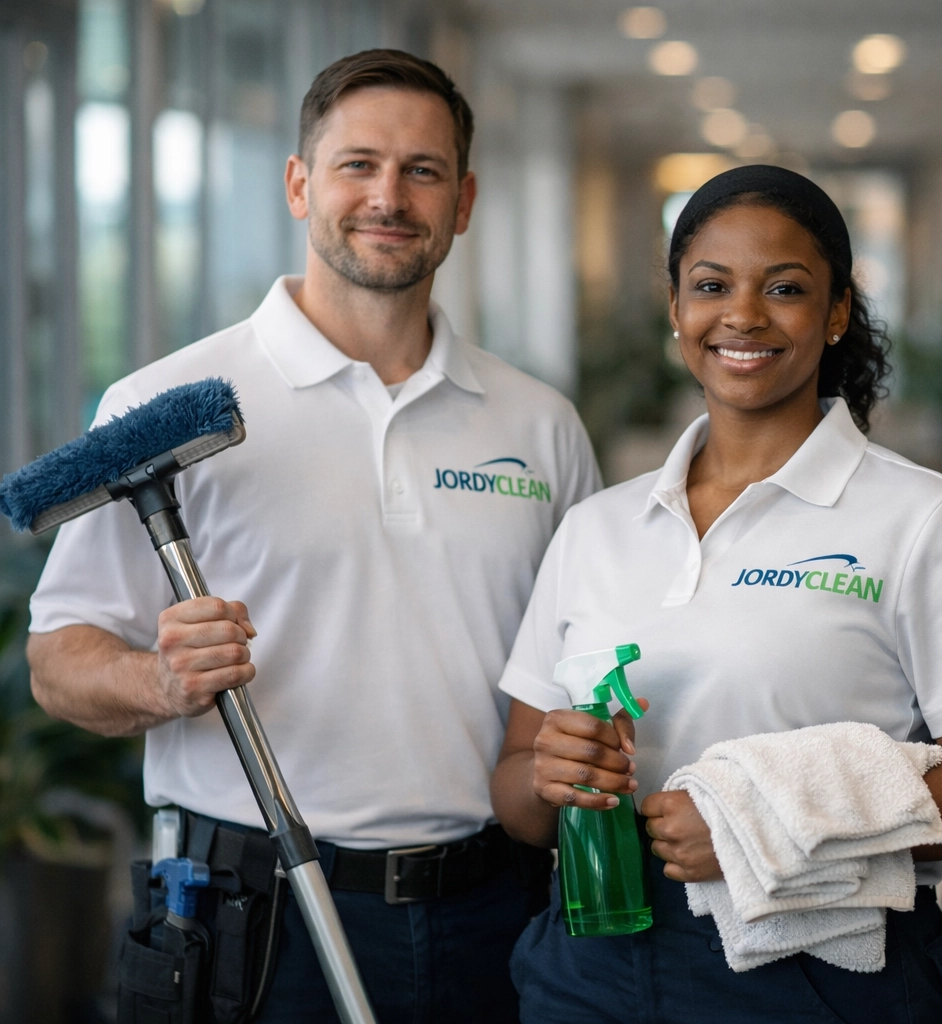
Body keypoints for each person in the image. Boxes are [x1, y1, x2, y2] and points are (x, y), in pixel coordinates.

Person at [27, 49, 599, 1022]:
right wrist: (160, 681)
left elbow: (576, 662)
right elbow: (56, 661)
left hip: (496, 908)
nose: (389, 197)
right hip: (252, 923)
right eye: (357, 164)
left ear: (463, 201)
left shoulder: (540, 424)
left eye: (423, 171)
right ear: (299, 184)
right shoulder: (164, 406)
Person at [488, 165, 942, 1023]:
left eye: (785, 288)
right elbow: (516, 795)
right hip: (593, 962)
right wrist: (551, 777)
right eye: (710, 286)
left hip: (814, 975)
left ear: (837, 312)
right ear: (676, 308)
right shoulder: (597, 529)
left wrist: (758, 829)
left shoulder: (926, 519)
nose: (743, 315)